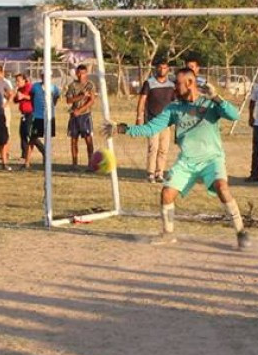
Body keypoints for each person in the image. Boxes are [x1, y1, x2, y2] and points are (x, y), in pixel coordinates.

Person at [107, 68, 250, 250]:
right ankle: (168, 234)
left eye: (177, 83)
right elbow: (151, 128)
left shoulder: (210, 103)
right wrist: (122, 128)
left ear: (190, 83)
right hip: (187, 161)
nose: (174, 86)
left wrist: (217, 98)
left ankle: (241, 232)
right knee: (167, 193)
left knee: (222, 187)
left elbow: (235, 115)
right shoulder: (173, 108)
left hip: (211, 159)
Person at [136, 59, 176, 183]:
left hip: (166, 122)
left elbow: (175, 103)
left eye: (164, 68)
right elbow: (142, 100)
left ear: (168, 69)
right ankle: (150, 173)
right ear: (156, 69)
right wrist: (139, 116)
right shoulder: (149, 83)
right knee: (153, 147)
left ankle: (160, 173)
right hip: (152, 121)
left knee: (163, 149)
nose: (162, 70)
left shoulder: (171, 85)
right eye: (159, 67)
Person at [64, 64, 97, 171]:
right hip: (74, 116)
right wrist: (81, 96)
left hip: (85, 115)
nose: (80, 75)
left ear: (86, 73)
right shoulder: (72, 85)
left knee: (88, 140)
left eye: (82, 73)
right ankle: (74, 164)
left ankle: (91, 164)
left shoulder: (90, 85)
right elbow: (69, 100)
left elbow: (91, 100)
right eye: (78, 73)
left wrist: (80, 110)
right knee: (74, 140)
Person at [27, 75, 60, 168]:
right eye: (43, 76)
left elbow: (56, 97)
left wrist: (52, 106)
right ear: (41, 76)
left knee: (48, 140)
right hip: (38, 116)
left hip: (49, 117)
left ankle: (46, 161)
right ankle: (27, 162)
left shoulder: (54, 88)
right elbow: (31, 96)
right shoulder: (35, 87)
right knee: (33, 138)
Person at [13, 73, 34, 164]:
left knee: (28, 133)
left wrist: (23, 96)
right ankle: (24, 154)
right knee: (22, 133)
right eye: (16, 81)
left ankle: (43, 150)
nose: (17, 82)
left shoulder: (29, 87)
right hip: (24, 114)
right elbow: (15, 100)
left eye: (18, 80)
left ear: (25, 80)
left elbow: (33, 97)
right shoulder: (20, 89)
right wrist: (16, 95)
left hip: (31, 113)